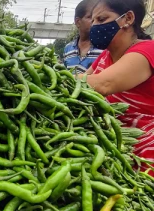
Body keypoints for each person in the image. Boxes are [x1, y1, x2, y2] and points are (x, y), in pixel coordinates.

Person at [85, 0, 154, 175]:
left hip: (145, 151)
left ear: (128, 18)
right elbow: (82, 81)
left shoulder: (148, 50)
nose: (94, 27)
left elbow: (101, 84)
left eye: (101, 19)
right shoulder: (104, 57)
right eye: (93, 21)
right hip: (115, 148)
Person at [63, 0, 103, 74]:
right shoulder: (68, 49)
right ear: (78, 22)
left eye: (98, 17)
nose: (94, 21)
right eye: (90, 17)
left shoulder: (104, 48)